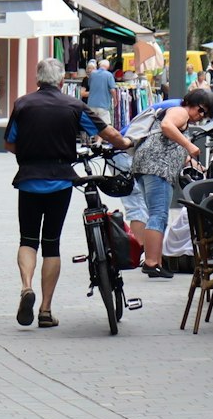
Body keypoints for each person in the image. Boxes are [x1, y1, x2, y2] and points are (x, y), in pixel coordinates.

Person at [7, 58, 132, 328]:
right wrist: (125, 142)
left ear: (37, 79)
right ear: (62, 81)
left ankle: (26, 287)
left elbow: (9, 143)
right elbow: (106, 132)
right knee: (51, 243)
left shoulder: (22, 104)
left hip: (28, 180)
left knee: (28, 239)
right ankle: (45, 310)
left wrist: (28, 153)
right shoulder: (74, 105)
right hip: (60, 182)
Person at [124, 88, 213, 276]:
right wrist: (189, 145)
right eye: (201, 110)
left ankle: (156, 261)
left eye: (205, 115)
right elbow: (167, 126)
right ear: (191, 103)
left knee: (155, 213)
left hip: (147, 166)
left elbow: (169, 144)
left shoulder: (181, 117)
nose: (200, 116)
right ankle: (152, 263)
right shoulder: (180, 112)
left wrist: (194, 163)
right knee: (158, 214)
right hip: (157, 167)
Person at [86, 57, 117, 125]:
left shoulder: (92, 74)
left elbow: (90, 85)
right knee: (105, 126)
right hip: (103, 105)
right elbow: (112, 90)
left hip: (91, 104)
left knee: (93, 125)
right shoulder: (109, 75)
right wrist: (115, 100)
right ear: (108, 67)